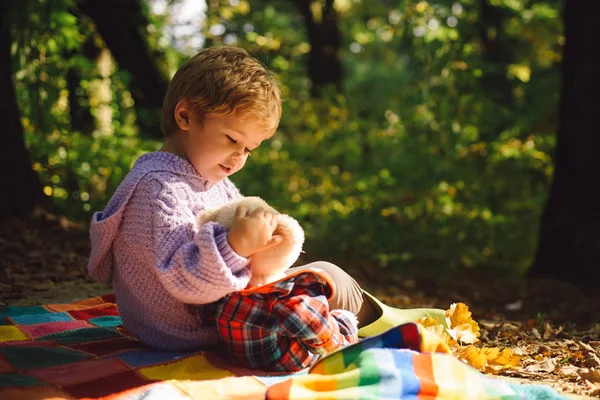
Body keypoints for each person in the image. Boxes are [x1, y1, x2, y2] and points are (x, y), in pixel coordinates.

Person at [87, 46, 379, 352]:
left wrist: (266, 239)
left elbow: (240, 224)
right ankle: (369, 323)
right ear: (185, 116)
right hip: (191, 330)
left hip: (222, 314)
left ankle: (374, 317)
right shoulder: (159, 189)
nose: (239, 157)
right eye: (232, 140)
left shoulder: (210, 179)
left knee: (324, 277)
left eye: (249, 149)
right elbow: (185, 281)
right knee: (326, 279)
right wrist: (236, 246)